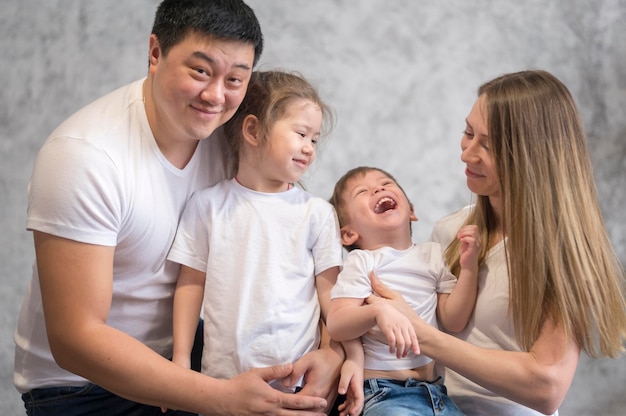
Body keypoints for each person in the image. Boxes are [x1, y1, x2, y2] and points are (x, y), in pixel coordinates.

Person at [13, 1, 340, 415]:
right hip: (82, 386)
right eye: (200, 71)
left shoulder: (231, 135)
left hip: (185, 352)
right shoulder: (85, 157)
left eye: (235, 79)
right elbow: (76, 339)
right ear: (155, 53)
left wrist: (331, 351)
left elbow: (299, 248)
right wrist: (217, 397)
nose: (215, 95)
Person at [365, 69, 626, 415]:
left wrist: (420, 334)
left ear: (532, 156)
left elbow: (547, 387)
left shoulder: (565, 255)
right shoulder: (450, 232)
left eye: (487, 145)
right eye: (468, 133)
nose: (467, 154)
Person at [165, 69, 358, 414]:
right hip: (224, 382)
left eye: (314, 140)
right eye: (301, 133)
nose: (309, 148)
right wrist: (180, 361)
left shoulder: (315, 213)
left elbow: (330, 294)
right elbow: (190, 284)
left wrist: (331, 352)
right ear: (253, 129)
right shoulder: (207, 206)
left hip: (299, 383)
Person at [326, 166, 480, 416]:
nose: (378, 189)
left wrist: (469, 268)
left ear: (412, 211)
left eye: (386, 184)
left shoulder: (432, 255)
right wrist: (378, 311)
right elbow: (337, 323)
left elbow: (454, 320)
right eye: (363, 192)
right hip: (384, 391)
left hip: (436, 393)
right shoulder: (363, 262)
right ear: (348, 233)